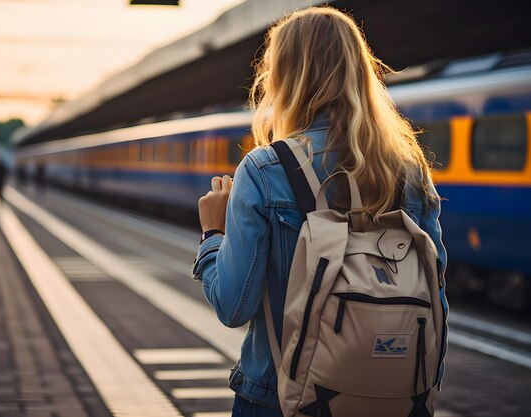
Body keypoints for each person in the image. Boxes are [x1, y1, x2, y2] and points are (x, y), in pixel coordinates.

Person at [191, 6, 447, 416]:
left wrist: (212, 234)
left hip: (279, 399)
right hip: (396, 401)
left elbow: (233, 305)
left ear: (284, 79)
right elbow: (436, 299)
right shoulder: (409, 172)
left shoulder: (263, 170)